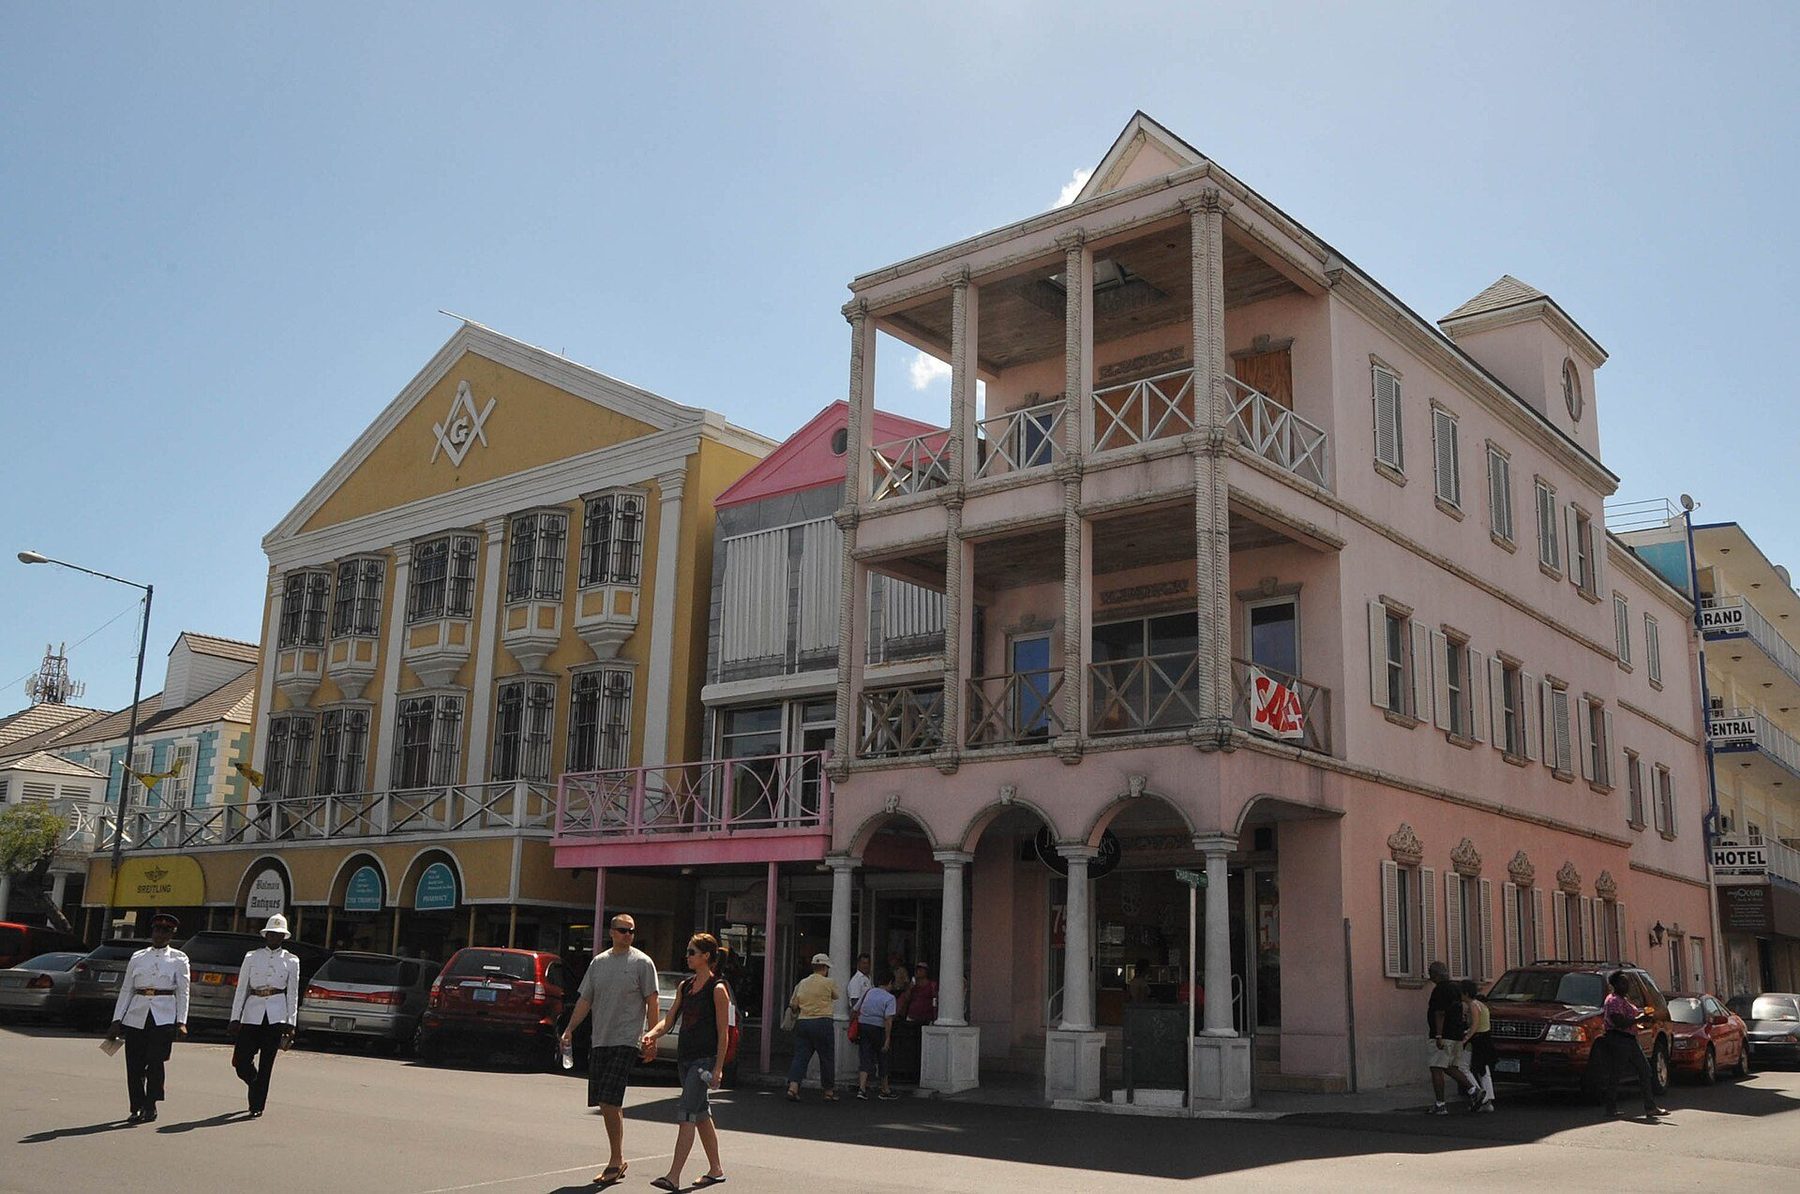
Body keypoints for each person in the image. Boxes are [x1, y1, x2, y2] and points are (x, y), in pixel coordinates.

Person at [561, 914, 660, 1186]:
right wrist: (569, 1028)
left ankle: (615, 1161)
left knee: (610, 1100)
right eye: (623, 930)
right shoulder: (599, 963)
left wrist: (650, 1037)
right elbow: (585, 999)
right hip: (600, 1039)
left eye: (631, 931)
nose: (628, 935)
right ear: (611, 932)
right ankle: (618, 1157)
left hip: (626, 1039)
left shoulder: (642, 963)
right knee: (605, 1102)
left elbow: (652, 1001)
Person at [643, 934, 730, 1192]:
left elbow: (723, 1032)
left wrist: (718, 1067)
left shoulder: (718, 989)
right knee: (701, 1113)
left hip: (704, 1060)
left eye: (692, 952)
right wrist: (652, 1034)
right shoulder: (685, 986)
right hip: (685, 1058)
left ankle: (673, 1176)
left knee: (687, 1113)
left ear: (706, 956)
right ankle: (716, 1169)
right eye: (688, 951)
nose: (688, 956)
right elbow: (669, 1020)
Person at [107, 911, 190, 1124]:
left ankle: (150, 1104)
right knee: (134, 1065)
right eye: (156, 930)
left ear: (171, 934)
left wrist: (181, 1021)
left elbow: (183, 992)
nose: (159, 934)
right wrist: (117, 1019)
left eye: (165, 931)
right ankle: (136, 1105)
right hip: (137, 1014)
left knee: (155, 1062)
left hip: (162, 1015)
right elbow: (127, 989)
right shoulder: (138, 957)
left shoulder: (179, 959)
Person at [227, 913, 301, 1118]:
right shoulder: (252, 957)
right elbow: (242, 988)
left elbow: (292, 992)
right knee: (241, 1061)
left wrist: (291, 1022)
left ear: (283, 937)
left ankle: (257, 1104)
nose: (274, 937)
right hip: (252, 1012)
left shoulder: (291, 960)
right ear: (265, 935)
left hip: (276, 1013)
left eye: (278, 934)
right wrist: (235, 1017)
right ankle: (254, 1081)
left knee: (267, 1062)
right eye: (271, 934)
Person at [1595, 970, 1669, 1119]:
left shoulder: (1624, 999)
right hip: (1619, 1039)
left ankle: (1649, 1107)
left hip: (1629, 1039)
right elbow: (1618, 1022)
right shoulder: (1613, 1000)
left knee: (1644, 1070)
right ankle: (1613, 1108)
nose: (1626, 985)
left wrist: (1643, 1018)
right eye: (1623, 982)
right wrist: (1638, 1020)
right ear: (1615, 984)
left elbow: (1630, 1017)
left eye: (1627, 982)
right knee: (1618, 1073)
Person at [1424, 961, 1483, 1114]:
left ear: (1436, 975)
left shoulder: (1439, 990)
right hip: (1456, 1034)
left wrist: (1438, 1035)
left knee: (1436, 1068)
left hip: (1443, 1035)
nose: (1430, 977)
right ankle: (1473, 1091)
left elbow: (1439, 1013)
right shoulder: (1457, 988)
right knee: (1450, 1067)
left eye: (1431, 973)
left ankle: (1440, 1104)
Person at [784, 952, 840, 1102]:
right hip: (823, 1022)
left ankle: (793, 1087)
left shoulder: (802, 983)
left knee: (801, 1056)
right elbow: (836, 996)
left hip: (804, 1022)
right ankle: (828, 1091)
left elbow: (794, 1004)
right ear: (825, 967)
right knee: (826, 1058)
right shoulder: (828, 982)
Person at [856, 968, 900, 1100]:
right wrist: (887, 1039)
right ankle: (885, 1089)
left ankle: (862, 1089)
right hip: (878, 1028)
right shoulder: (890, 998)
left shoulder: (868, 992)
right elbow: (888, 1019)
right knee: (883, 1057)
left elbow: (856, 1008)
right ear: (890, 983)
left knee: (865, 1056)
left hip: (863, 1025)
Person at [1460, 979, 1496, 1113]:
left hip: (1477, 1040)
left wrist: (1466, 1038)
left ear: (1465, 993)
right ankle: (1488, 1099)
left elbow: (1474, 1025)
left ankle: (1477, 1092)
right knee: (1484, 1070)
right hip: (1485, 1039)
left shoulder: (1472, 1006)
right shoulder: (1482, 1004)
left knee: (1463, 1067)